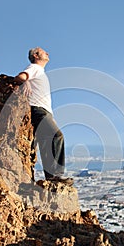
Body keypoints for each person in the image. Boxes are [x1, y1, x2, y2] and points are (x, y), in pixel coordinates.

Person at [14, 47, 73, 185]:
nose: (47, 53)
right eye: (43, 51)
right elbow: (20, 77)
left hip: (44, 111)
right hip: (38, 110)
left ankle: (51, 177)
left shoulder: (40, 71)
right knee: (57, 136)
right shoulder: (35, 68)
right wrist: (26, 81)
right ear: (35, 55)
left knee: (46, 143)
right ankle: (57, 174)